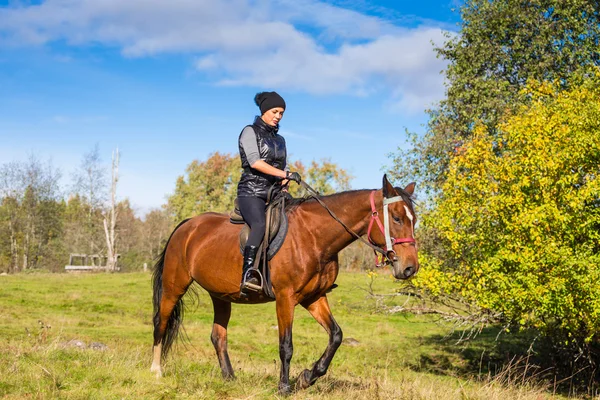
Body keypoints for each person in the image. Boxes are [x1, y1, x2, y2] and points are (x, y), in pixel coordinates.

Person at [237, 91, 301, 293]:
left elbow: (282, 165)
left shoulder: (281, 140)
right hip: (252, 191)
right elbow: (256, 162)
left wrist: (284, 181)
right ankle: (248, 274)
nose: (278, 116)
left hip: (274, 192)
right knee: (259, 224)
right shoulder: (249, 131)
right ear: (265, 110)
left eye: (281, 113)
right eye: (275, 111)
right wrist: (285, 173)